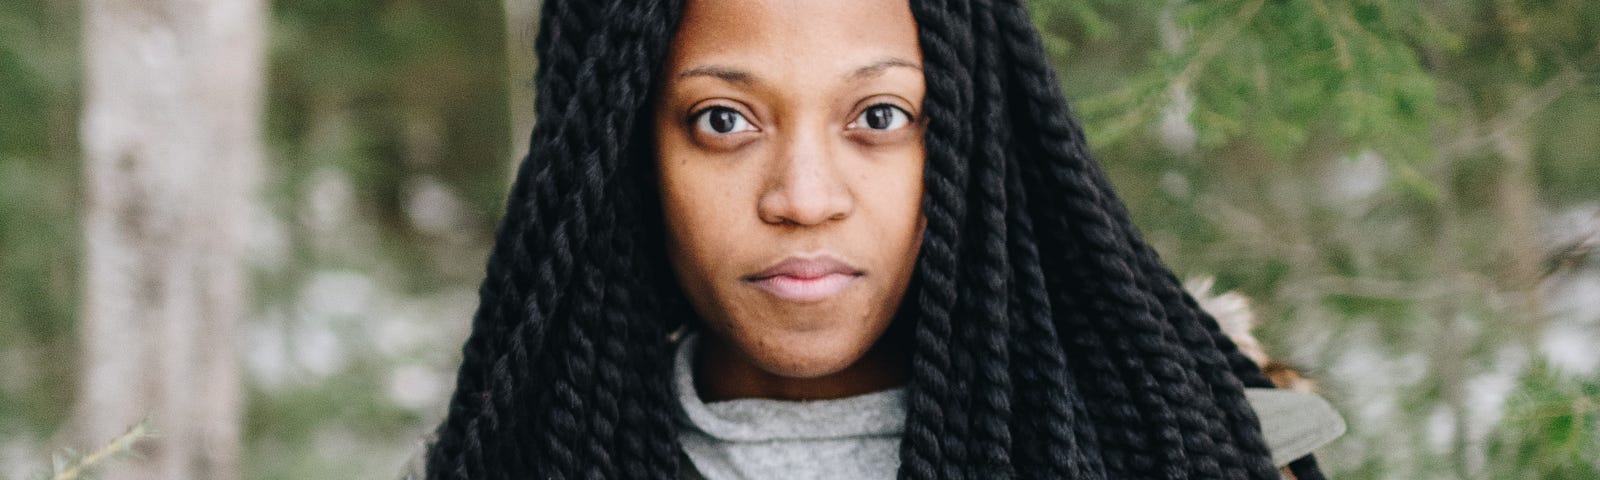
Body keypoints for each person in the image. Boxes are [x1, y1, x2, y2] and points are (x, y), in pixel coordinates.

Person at [417, 0, 1345, 478]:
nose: (804, 198)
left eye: (881, 114)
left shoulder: (1192, 452)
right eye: (724, 122)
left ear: (972, 135)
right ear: (622, 147)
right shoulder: (502, 462)